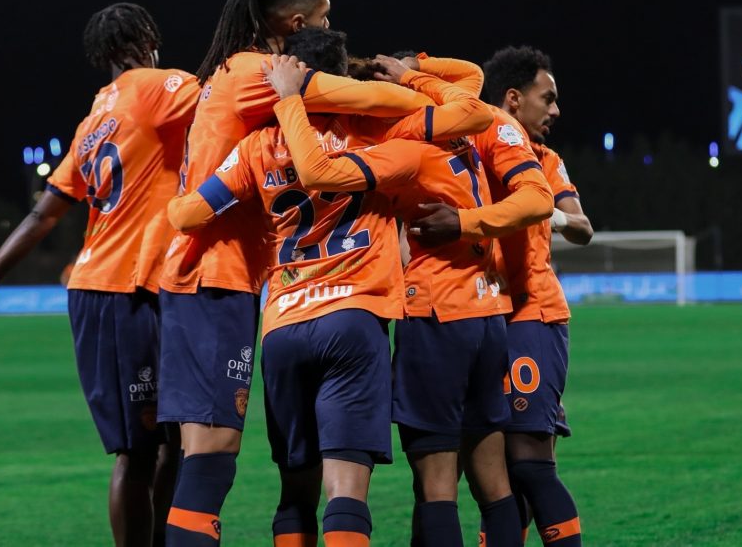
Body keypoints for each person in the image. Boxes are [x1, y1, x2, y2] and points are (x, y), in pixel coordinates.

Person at [167, 29, 493, 546]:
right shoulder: (383, 132)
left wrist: (188, 188)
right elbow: (472, 106)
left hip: (284, 327)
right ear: (341, 79)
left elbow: (187, 215)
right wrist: (413, 73)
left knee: (295, 492)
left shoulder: (257, 145)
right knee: (346, 491)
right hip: (353, 320)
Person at [0, 2, 199, 547]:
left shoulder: (93, 122)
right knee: (140, 448)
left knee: (171, 439)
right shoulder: (159, 85)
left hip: (134, 286)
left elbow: (42, 215)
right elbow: (228, 99)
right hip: (120, 289)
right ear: (145, 42)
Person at [349, 54, 555, 547]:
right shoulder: (470, 128)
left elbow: (322, 173)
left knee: (436, 487)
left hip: (435, 312)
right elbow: (470, 78)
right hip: (488, 315)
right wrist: (417, 66)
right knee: (494, 484)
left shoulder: (399, 142)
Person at [479, 46, 593, 546]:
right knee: (495, 477)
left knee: (529, 462)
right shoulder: (471, 153)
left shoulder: (545, 161)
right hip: (479, 318)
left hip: (532, 316)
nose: (556, 110)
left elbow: (583, 228)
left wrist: (546, 209)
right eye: (547, 98)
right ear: (513, 98)